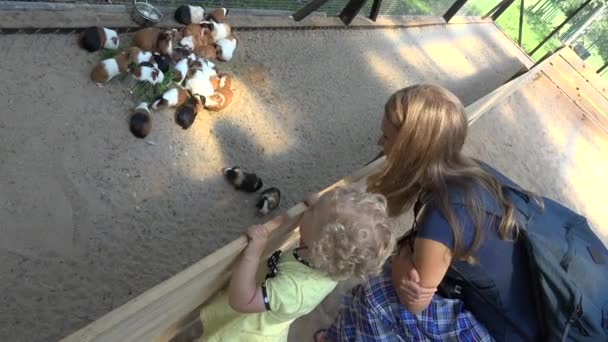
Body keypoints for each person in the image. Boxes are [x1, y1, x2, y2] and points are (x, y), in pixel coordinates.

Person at [318, 84, 541, 341]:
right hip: (518, 313)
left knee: (377, 293)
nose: (380, 143)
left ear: (410, 151)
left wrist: (402, 260)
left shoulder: (443, 214)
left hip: (503, 334)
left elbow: (414, 301)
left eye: (387, 138)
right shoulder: (473, 171)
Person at [195, 186, 395, 341]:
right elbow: (323, 231)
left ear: (319, 245)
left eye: (313, 211)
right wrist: (321, 207)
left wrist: (252, 255)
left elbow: (241, 301)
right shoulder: (331, 262)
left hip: (246, 331)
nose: (311, 207)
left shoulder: (294, 289)